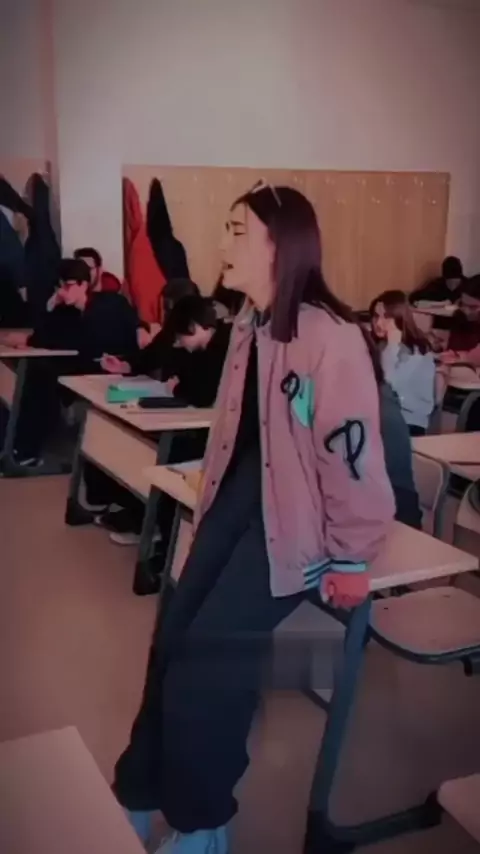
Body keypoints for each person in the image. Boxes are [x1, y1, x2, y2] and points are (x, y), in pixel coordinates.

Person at [113, 183, 395, 853]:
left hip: (294, 530)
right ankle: (139, 791)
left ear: (281, 246)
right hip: (239, 506)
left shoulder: (331, 339)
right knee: (170, 642)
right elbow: (240, 436)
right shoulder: (248, 325)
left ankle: (203, 822)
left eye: (237, 231)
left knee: (207, 665)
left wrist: (352, 557)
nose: (221, 244)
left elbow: (351, 458)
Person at [91, 295, 231, 556]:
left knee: (169, 453)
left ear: (195, 326)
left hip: (212, 431)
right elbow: (175, 373)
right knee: (141, 445)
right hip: (193, 419)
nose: (177, 344)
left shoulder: (225, 344)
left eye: (180, 338)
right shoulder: (200, 342)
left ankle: (157, 530)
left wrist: (178, 387)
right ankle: (143, 517)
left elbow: (201, 394)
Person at [11, 258, 139, 466]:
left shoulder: (109, 304)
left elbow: (123, 334)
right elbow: (42, 337)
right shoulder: (66, 312)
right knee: (37, 373)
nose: (62, 292)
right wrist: (50, 308)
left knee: (43, 377)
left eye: (68, 286)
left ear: (84, 284)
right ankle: (22, 448)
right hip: (82, 366)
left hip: (110, 368)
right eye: (59, 287)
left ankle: (27, 449)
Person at [370, 289, 436, 436]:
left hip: (408, 422)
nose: (379, 323)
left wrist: (392, 346)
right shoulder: (378, 347)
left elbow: (387, 384)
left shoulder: (416, 353)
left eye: (386, 317)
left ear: (399, 318)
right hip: (380, 417)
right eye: (376, 316)